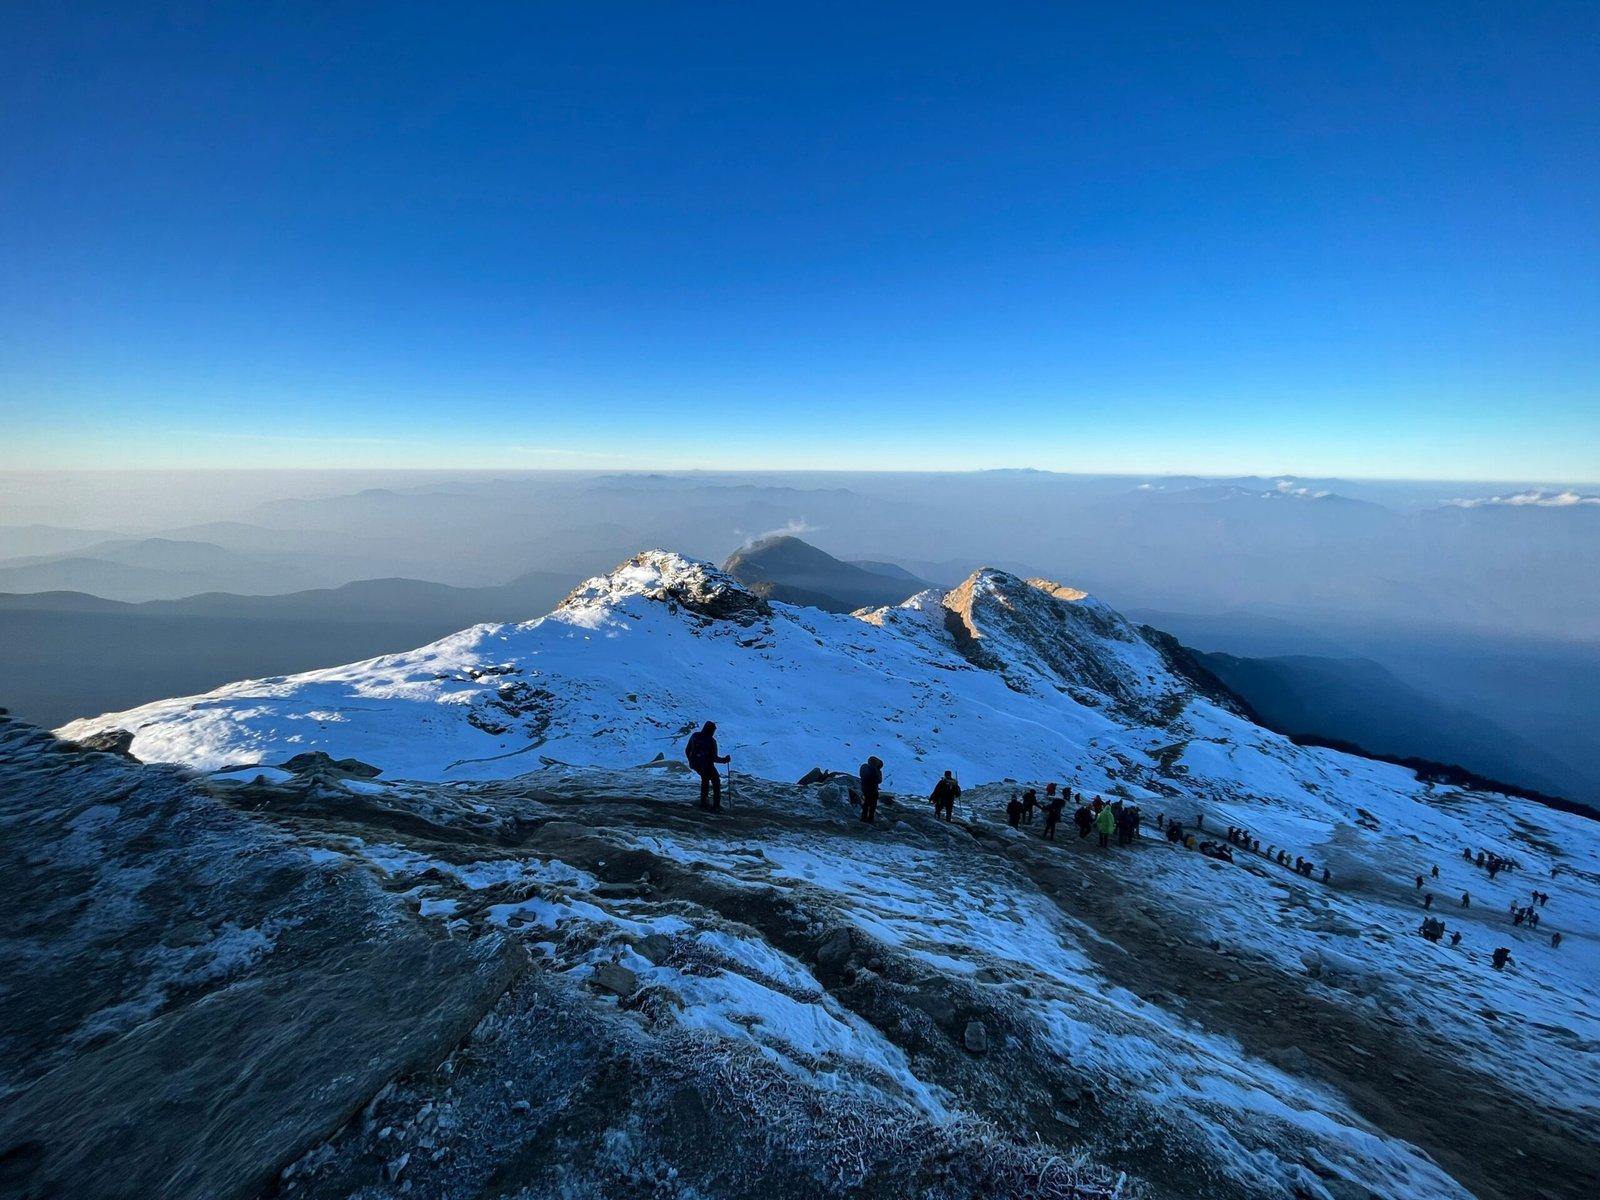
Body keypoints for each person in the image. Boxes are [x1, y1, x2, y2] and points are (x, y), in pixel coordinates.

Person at [686, 721, 731, 812]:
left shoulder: (695, 736)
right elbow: (714, 758)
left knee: (705, 780)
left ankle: (703, 802)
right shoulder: (711, 741)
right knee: (716, 781)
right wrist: (724, 760)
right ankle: (716, 805)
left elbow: (687, 750)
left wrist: (691, 761)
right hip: (707, 765)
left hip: (696, 764)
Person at [858, 755, 884, 824]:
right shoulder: (874, 770)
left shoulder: (864, 767)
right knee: (872, 804)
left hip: (865, 788)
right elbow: (878, 780)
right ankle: (870, 819)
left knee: (867, 803)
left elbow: (862, 776)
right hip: (872, 789)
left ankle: (864, 818)